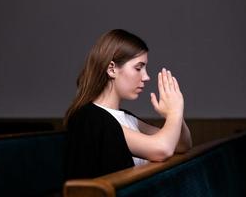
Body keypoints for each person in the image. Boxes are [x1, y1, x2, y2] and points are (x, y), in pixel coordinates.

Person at [64, 29, 192, 179]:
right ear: (111, 69)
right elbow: (162, 149)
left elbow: (182, 145)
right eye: (138, 68)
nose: (146, 77)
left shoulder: (126, 117)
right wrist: (174, 113)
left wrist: (176, 114)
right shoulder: (89, 118)